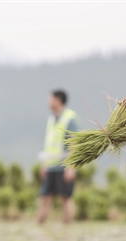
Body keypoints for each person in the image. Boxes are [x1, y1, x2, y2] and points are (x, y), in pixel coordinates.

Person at [37, 89, 79, 224]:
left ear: (58, 100)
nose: (48, 102)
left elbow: (74, 143)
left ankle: (68, 229)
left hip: (63, 166)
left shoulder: (69, 118)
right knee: (45, 198)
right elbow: (48, 145)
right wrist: (44, 165)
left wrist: (71, 167)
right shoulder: (51, 119)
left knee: (65, 198)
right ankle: (39, 227)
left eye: (50, 99)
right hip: (50, 166)